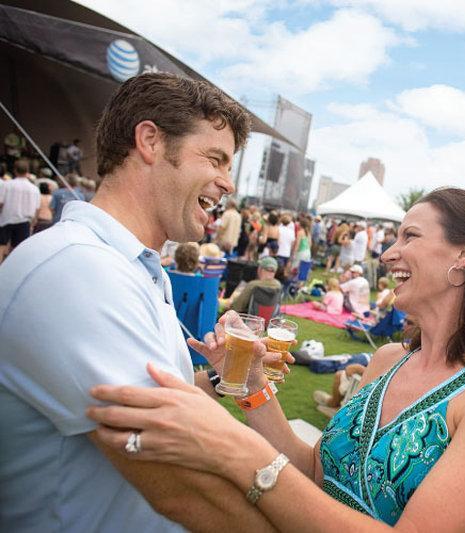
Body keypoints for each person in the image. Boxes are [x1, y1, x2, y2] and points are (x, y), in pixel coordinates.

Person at [84, 187, 465, 532]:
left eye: (410, 236)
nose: (387, 253)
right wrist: (250, 386)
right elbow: (316, 475)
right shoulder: (387, 360)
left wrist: (242, 454)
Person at [0, 73, 276, 532]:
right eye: (215, 159)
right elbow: (178, 482)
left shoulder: (132, 266)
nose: (227, 183)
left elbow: (158, 401)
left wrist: (223, 379)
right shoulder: (78, 268)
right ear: (149, 141)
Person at [0, 158, 40, 260]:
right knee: (17, 250)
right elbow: (37, 209)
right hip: (24, 221)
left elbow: (1, 203)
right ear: (27, 171)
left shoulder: (7, 185)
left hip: (5, 219)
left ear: (15, 170)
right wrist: (33, 223)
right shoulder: (34, 188)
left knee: (1, 246)